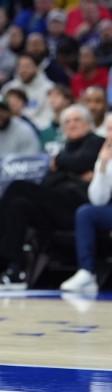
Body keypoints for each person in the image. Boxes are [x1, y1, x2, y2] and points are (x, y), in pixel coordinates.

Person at [0, 104, 103, 290]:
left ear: (89, 123)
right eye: (67, 121)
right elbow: (48, 181)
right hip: (57, 209)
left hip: (81, 209)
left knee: (19, 187)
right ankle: (15, 272)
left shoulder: (97, 142)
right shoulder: (65, 149)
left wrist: (61, 165)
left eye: (77, 120)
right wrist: (71, 172)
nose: (72, 124)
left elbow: (81, 161)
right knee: (19, 205)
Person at [61, 115, 112, 294]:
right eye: (109, 130)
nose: (111, 134)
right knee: (86, 212)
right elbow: (98, 199)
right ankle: (86, 272)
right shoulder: (106, 155)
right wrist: (103, 167)